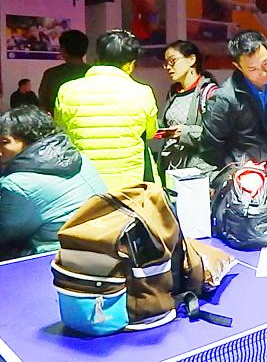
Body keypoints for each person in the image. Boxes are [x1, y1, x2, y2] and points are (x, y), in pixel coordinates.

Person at [55, 30, 160, 190]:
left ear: (98, 58)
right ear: (130, 64)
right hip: (128, 183)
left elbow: (62, 130)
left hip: (85, 181)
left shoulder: (67, 90)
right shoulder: (142, 92)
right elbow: (150, 132)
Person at [0, 106, 106, 258]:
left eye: (4, 142)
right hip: (99, 240)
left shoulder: (18, 184)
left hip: (56, 254)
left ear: (29, 139)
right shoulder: (80, 158)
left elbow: (5, 231)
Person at [201, 30, 267, 172]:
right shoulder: (224, 99)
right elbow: (210, 150)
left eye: (266, 62)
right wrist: (235, 171)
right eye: (252, 69)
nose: (263, 72)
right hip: (245, 173)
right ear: (238, 66)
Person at [157, 40, 218, 181]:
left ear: (191, 60)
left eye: (172, 61)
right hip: (171, 170)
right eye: (166, 63)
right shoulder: (174, 92)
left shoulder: (209, 93)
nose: (168, 67)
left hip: (196, 173)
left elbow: (216, 135)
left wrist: (184, 133)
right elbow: (169, 123)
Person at [38, 30, 91, 114]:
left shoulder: (51, 74)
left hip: (59, 120)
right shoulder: (94, 73)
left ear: (63, 50)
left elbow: (43, 105)